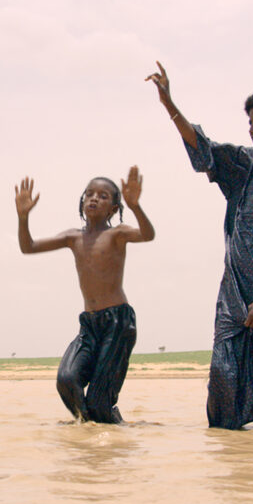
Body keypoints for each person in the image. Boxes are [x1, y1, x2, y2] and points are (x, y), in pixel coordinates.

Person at [146, 62, 253, 430]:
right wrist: (169, 104)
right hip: (234, 293)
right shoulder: (247, 164)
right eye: (250, 122)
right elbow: (204, 148)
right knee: (223, 375)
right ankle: (232, 451)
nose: (251, 128)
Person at [16, 166, 154, 423]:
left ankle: (105, 421)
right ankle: (92, 428)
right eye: (89, 194)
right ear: (81, 201)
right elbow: (29, 247)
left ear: (113, 208)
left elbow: (148, 235)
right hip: (89, 324)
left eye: (103, 196)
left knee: (100, 402)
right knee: (67, 380)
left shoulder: (117, 233)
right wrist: (23, 217)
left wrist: (135, 206)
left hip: (118, 323)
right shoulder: (73, 237)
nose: (94, 198)